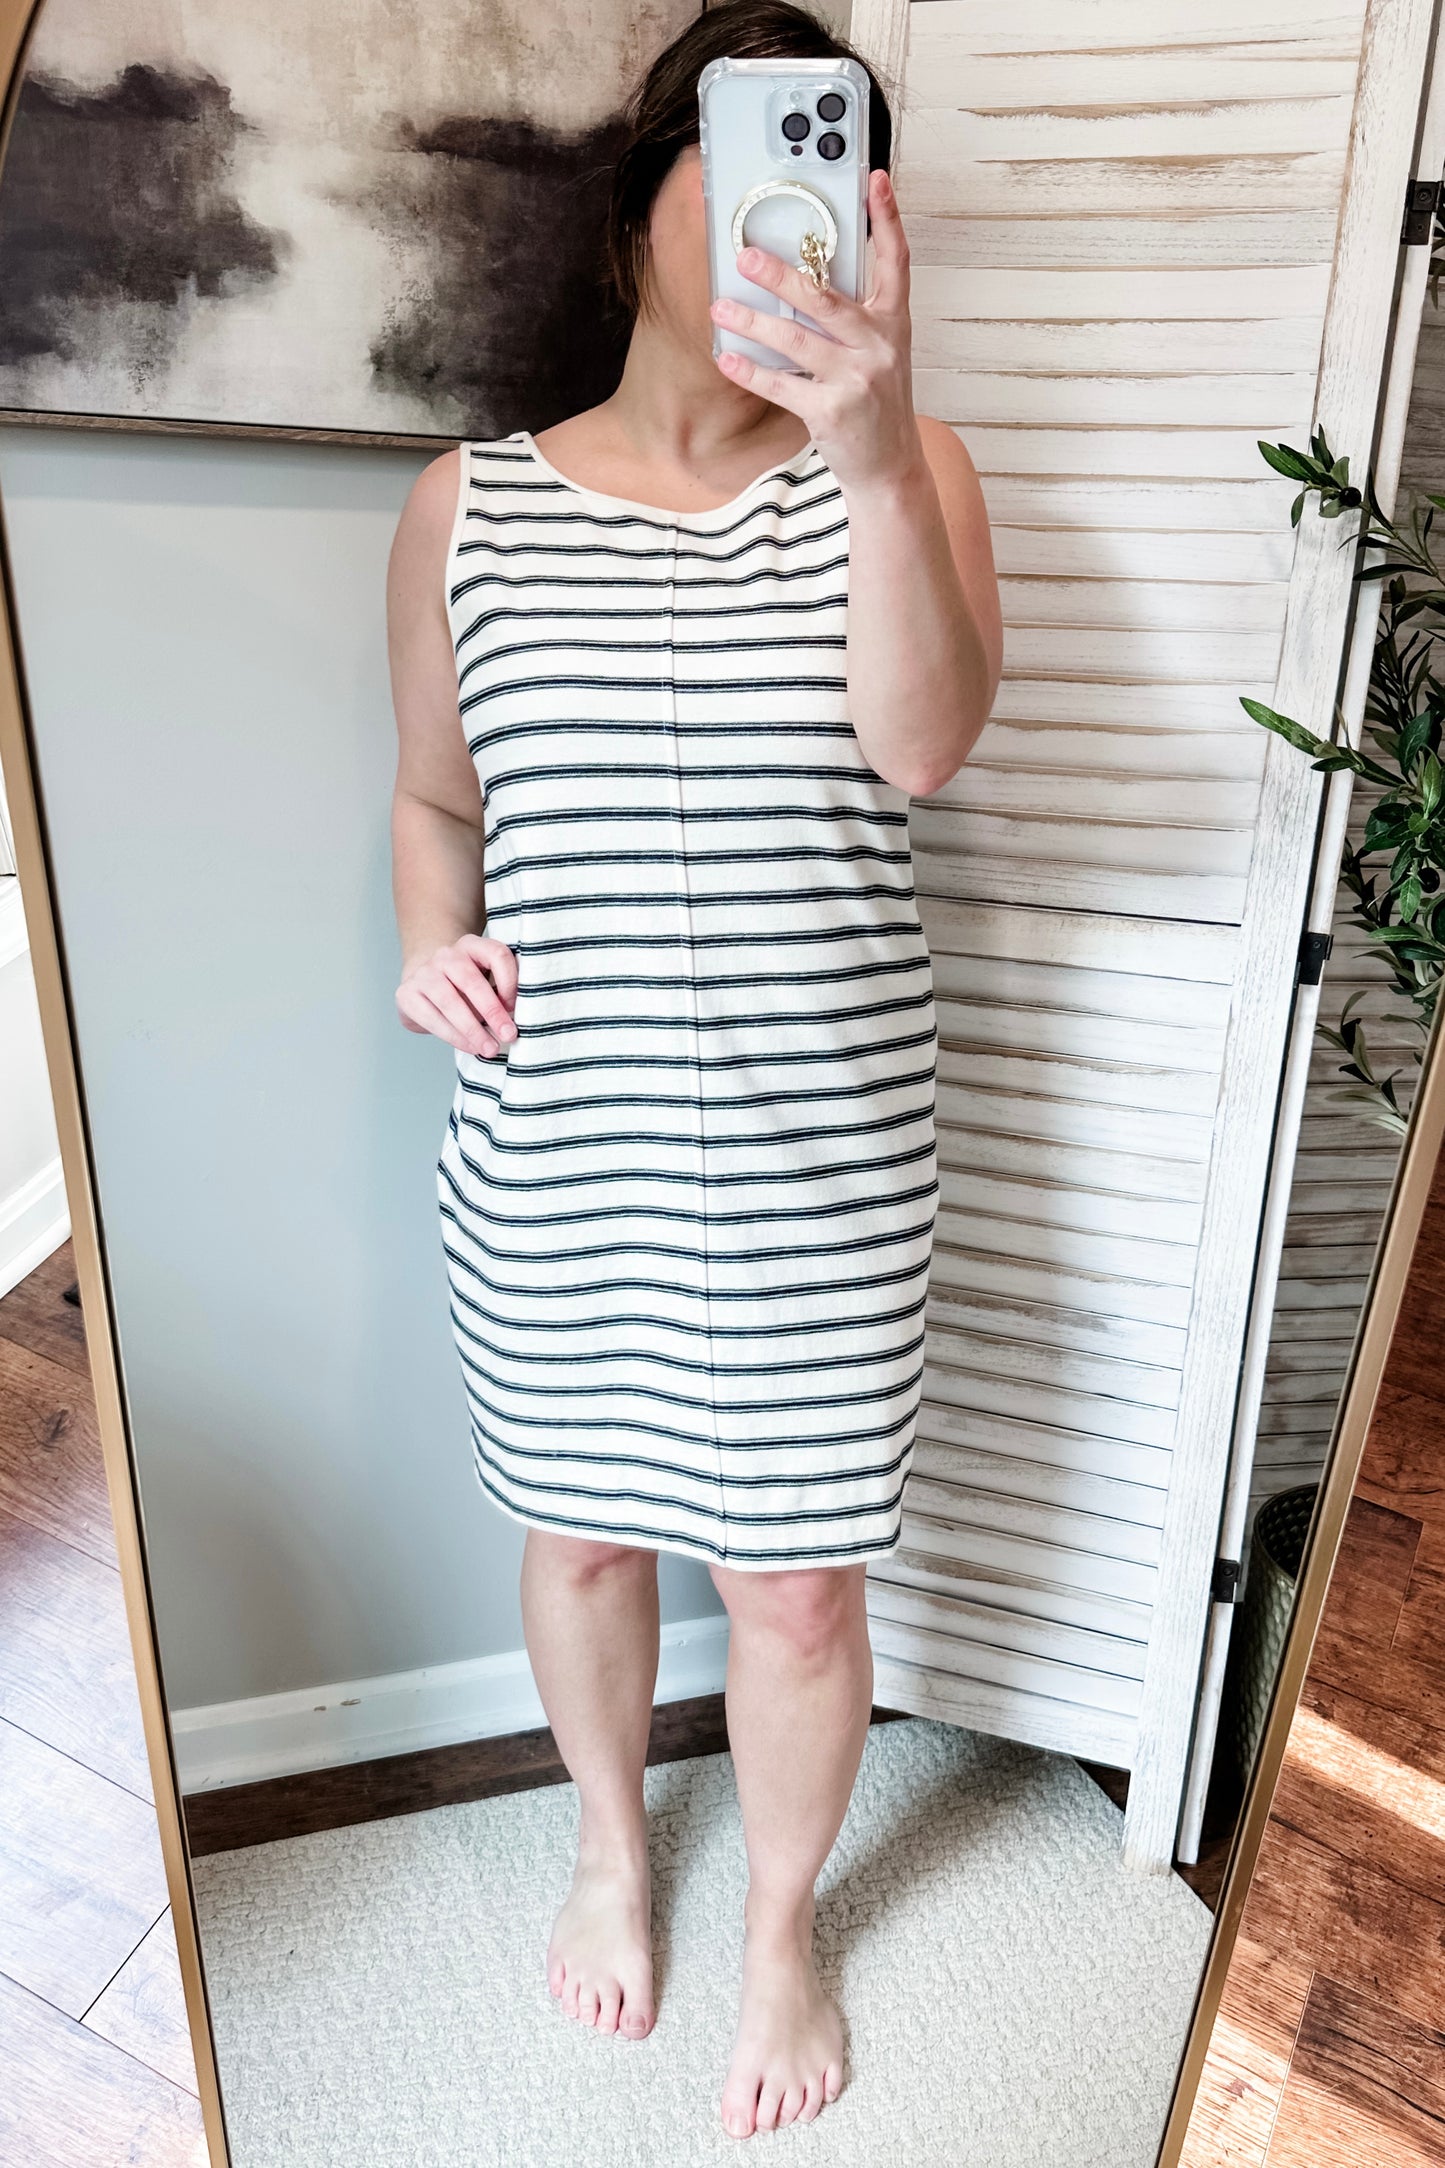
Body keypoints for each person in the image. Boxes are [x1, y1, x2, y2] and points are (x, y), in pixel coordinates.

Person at [386, 0, 1001, 2139]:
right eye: (732, 168)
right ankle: (609, 1846)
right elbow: (435, 801)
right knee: (579, 1540)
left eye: (818, 174)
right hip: (562, 1150)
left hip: (824, 1155)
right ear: (639, 198)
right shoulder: (464, 506)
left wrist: (876, 446)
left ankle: (781, 1930)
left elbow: (922, 750)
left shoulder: (911, 476)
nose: (771, 224)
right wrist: (426, 942)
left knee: (802, 1584)